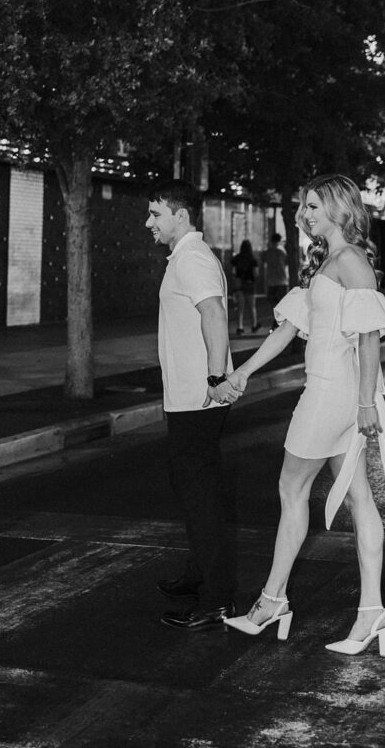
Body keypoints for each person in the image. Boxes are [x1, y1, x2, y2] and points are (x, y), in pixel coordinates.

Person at [224, 174, 385, 656]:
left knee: (292, 488)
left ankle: (272, 602)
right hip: (332, 390)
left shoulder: (349, 260)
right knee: (358, 498)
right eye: (303, 206)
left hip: (333, 393)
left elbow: (370, 337)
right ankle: (370, 614)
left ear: (339, 207)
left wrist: (367, 402)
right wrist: (242, 372)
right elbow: (288, 330)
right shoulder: (325, 260)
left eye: (314, 205)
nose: (305, 214)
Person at [146, 179, 240, 632]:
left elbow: (215, 314)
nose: (150, 223)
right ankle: (198, 574)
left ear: (180, 216)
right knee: (190, 489)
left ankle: (217, 598)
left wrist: (216, 376)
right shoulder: (184, 257)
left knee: (200, 497)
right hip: (187, 396)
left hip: (198, 398)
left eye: (156, 214)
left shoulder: (194, 259)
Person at [231, 239, 260, 334]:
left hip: (239, 284)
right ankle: (254, 326)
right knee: (252, 307)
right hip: (250, 284)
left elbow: (233, 272)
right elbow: (256, 273)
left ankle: (240, 327)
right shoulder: (253, 259)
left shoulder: (236, 258)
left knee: (240, 307)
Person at [265, 232, 289, 312]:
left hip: (271, 282)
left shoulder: (268, 253)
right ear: (279, 241)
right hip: (281, 281)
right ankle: (278, 320)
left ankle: (275, 319)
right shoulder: (282, 252)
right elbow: (286, 263)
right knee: (282, 303)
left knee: (273, 303)